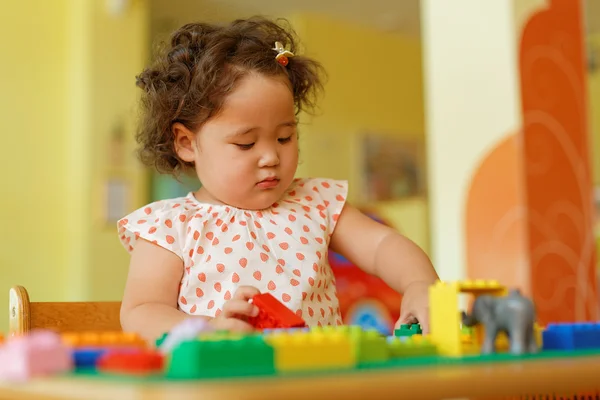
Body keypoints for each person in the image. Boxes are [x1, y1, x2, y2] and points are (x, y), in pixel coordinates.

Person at [117, 16, 439, 342]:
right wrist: (207, 328)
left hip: (321, 379)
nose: (271, 156)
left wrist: (419, 284)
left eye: (285, 137)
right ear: (187, 143)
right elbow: (141, 310)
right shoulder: (171, 226)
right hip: (226, 385)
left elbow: (383, 245)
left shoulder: (315, 202)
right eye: (246, 143)